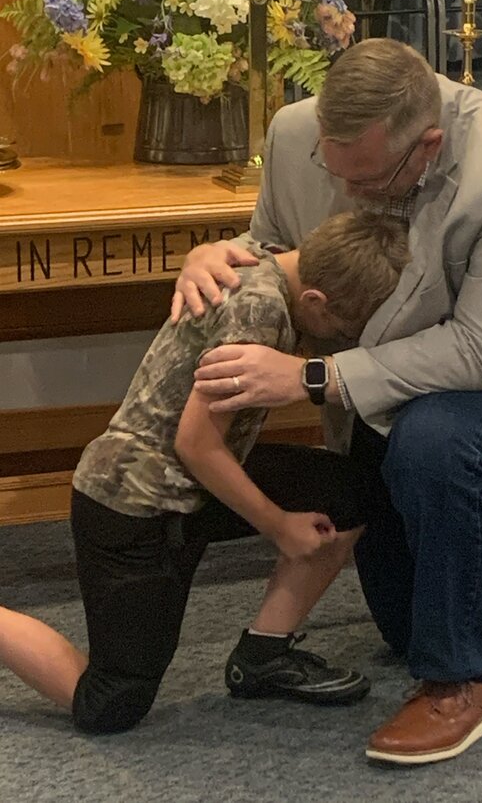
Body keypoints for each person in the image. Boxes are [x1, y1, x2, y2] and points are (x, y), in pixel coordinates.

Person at [172, 38, 482, 765]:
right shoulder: (297, 136)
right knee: (407, 618)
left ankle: (460, 684)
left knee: (434, 444)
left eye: (370, 181)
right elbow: (277, 250)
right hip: (387, 383)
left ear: (428, 146)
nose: (349, 194)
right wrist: (222, 252)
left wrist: (314, 377)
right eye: (337, 171)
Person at [1, 210, 410, 734]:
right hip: (132, 506)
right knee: (111, 703)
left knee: (353, 490)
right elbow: (195, 444)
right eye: (345, 329)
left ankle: (263, 655)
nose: (343, 342)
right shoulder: (259, 313)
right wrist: (278, 525)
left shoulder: (262, 258)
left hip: (196, 485)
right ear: (316, 301)